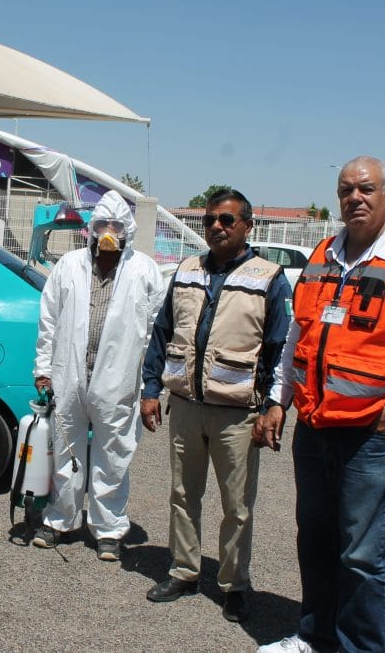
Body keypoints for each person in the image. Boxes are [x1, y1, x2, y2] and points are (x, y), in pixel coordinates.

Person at [255, 157, 385, 653]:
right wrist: (280, 399)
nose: (354, 198)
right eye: (346, 190)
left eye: (366, 189)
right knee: (316, 541)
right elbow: (298, 333)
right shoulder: (324, 254)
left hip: (372, 435)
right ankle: (316, 636)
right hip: (315, 426)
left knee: (364, 556)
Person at [141, 189, 291, 622]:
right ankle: (185, 571)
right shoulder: (186, 271)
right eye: (209, 220)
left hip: (238, 413)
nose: (217, 227)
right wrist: (152, 390)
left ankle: (234, 584)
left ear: (247, 225)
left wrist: (273, 407)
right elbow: (162, 332)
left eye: (227, 220)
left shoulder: (269, 277)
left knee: (237, 505)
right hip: (186, 405)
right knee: (183, 493)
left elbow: (280, 349)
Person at [32, 191, 165, 561]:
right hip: (68, 375)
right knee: (66, 449)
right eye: (103, 225)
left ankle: (108, 528)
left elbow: (156, 334)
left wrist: (148, 385)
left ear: (128, 231)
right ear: (91, 229)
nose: (109, 231)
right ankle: (60, 519)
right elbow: (48, 322)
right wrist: (43, 368)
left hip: (118, 381)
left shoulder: (145, 270)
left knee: (114, 455)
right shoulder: (68, 266)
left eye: (117, 226)